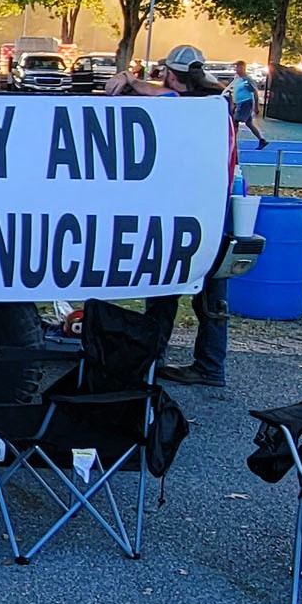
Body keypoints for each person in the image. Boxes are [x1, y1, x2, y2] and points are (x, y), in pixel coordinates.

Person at [109, 44, 232, 387]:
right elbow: (168, 95)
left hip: (186, 213)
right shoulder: (217, 103)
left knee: (165, 291)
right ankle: (208, 365)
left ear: (173, 76)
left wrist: (129, 81)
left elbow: (166, 99)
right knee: (209, 296)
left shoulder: (183, 107)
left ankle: (159, 359)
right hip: (216, 211)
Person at [230, 60, 269, 149]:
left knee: (235, 121)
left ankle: (233, 144)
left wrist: (256, 106)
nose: (235, 69)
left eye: (237, 67)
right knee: (249, 123)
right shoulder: (237, 79)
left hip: (245, 103)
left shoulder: (247, 79)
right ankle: (262, 140)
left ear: (242, 68)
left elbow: (255, 92)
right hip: (239, 103)